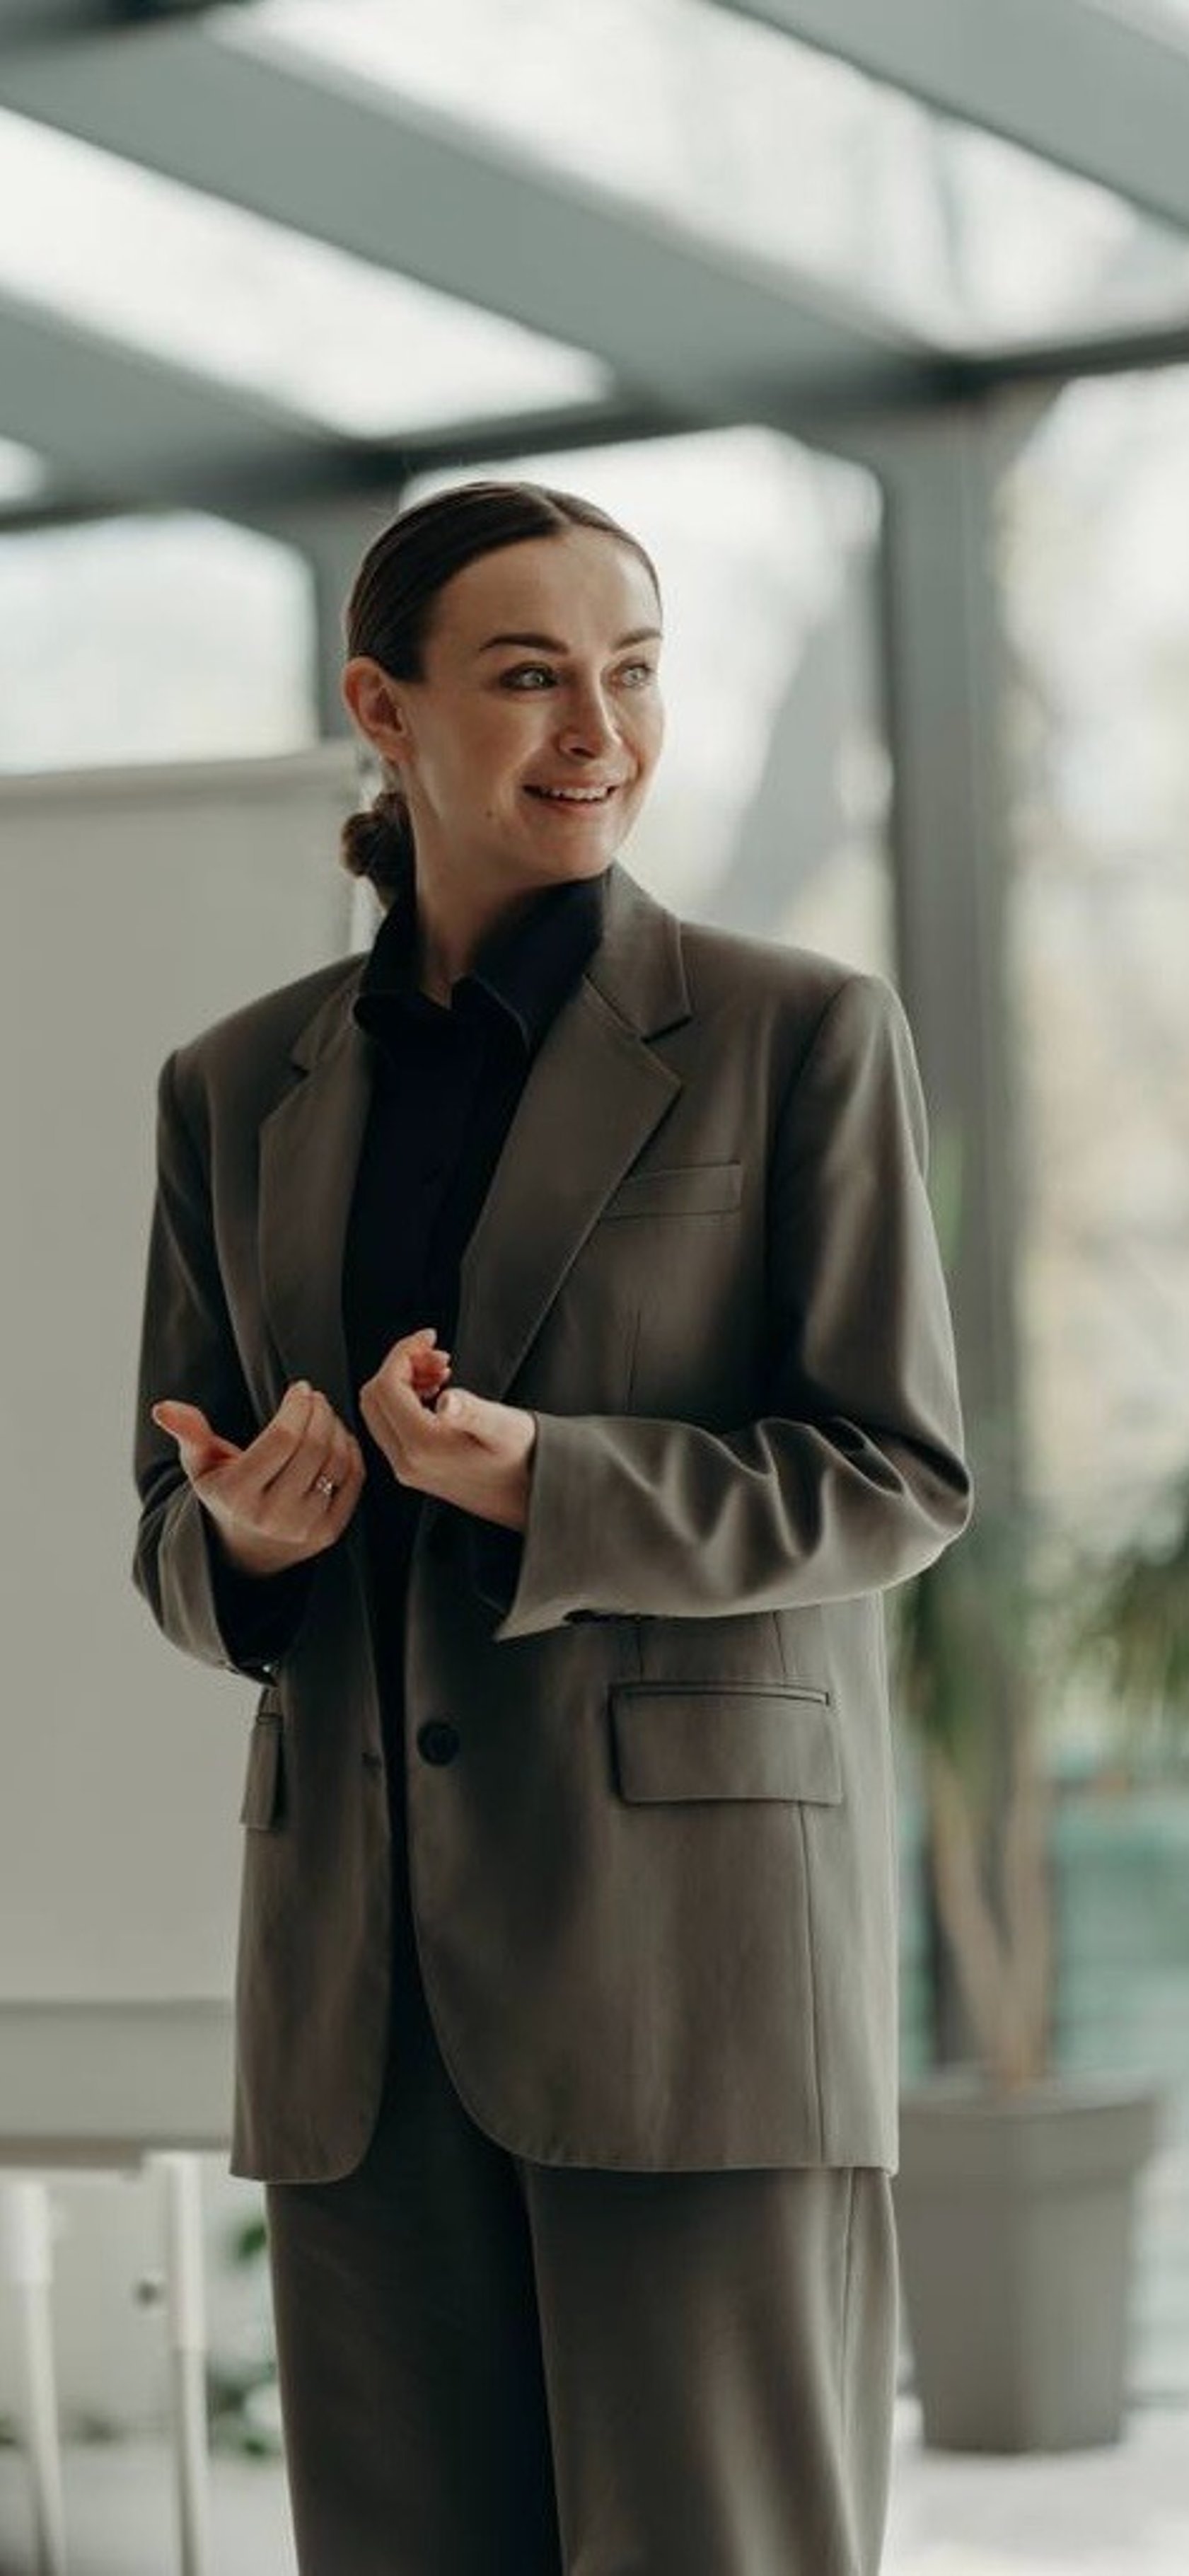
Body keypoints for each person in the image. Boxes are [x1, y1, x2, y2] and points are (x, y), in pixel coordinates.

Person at [130, 478, 971, 2576]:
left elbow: (896, 1471)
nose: (600, 729)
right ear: (382, 711)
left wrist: (548, 1480)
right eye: (530, 677)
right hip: (359, 1997)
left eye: (635, 673)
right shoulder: (234, 1085)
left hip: (690, 1979)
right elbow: (172, 1512)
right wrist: (244, 1541)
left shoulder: (798, 1036)